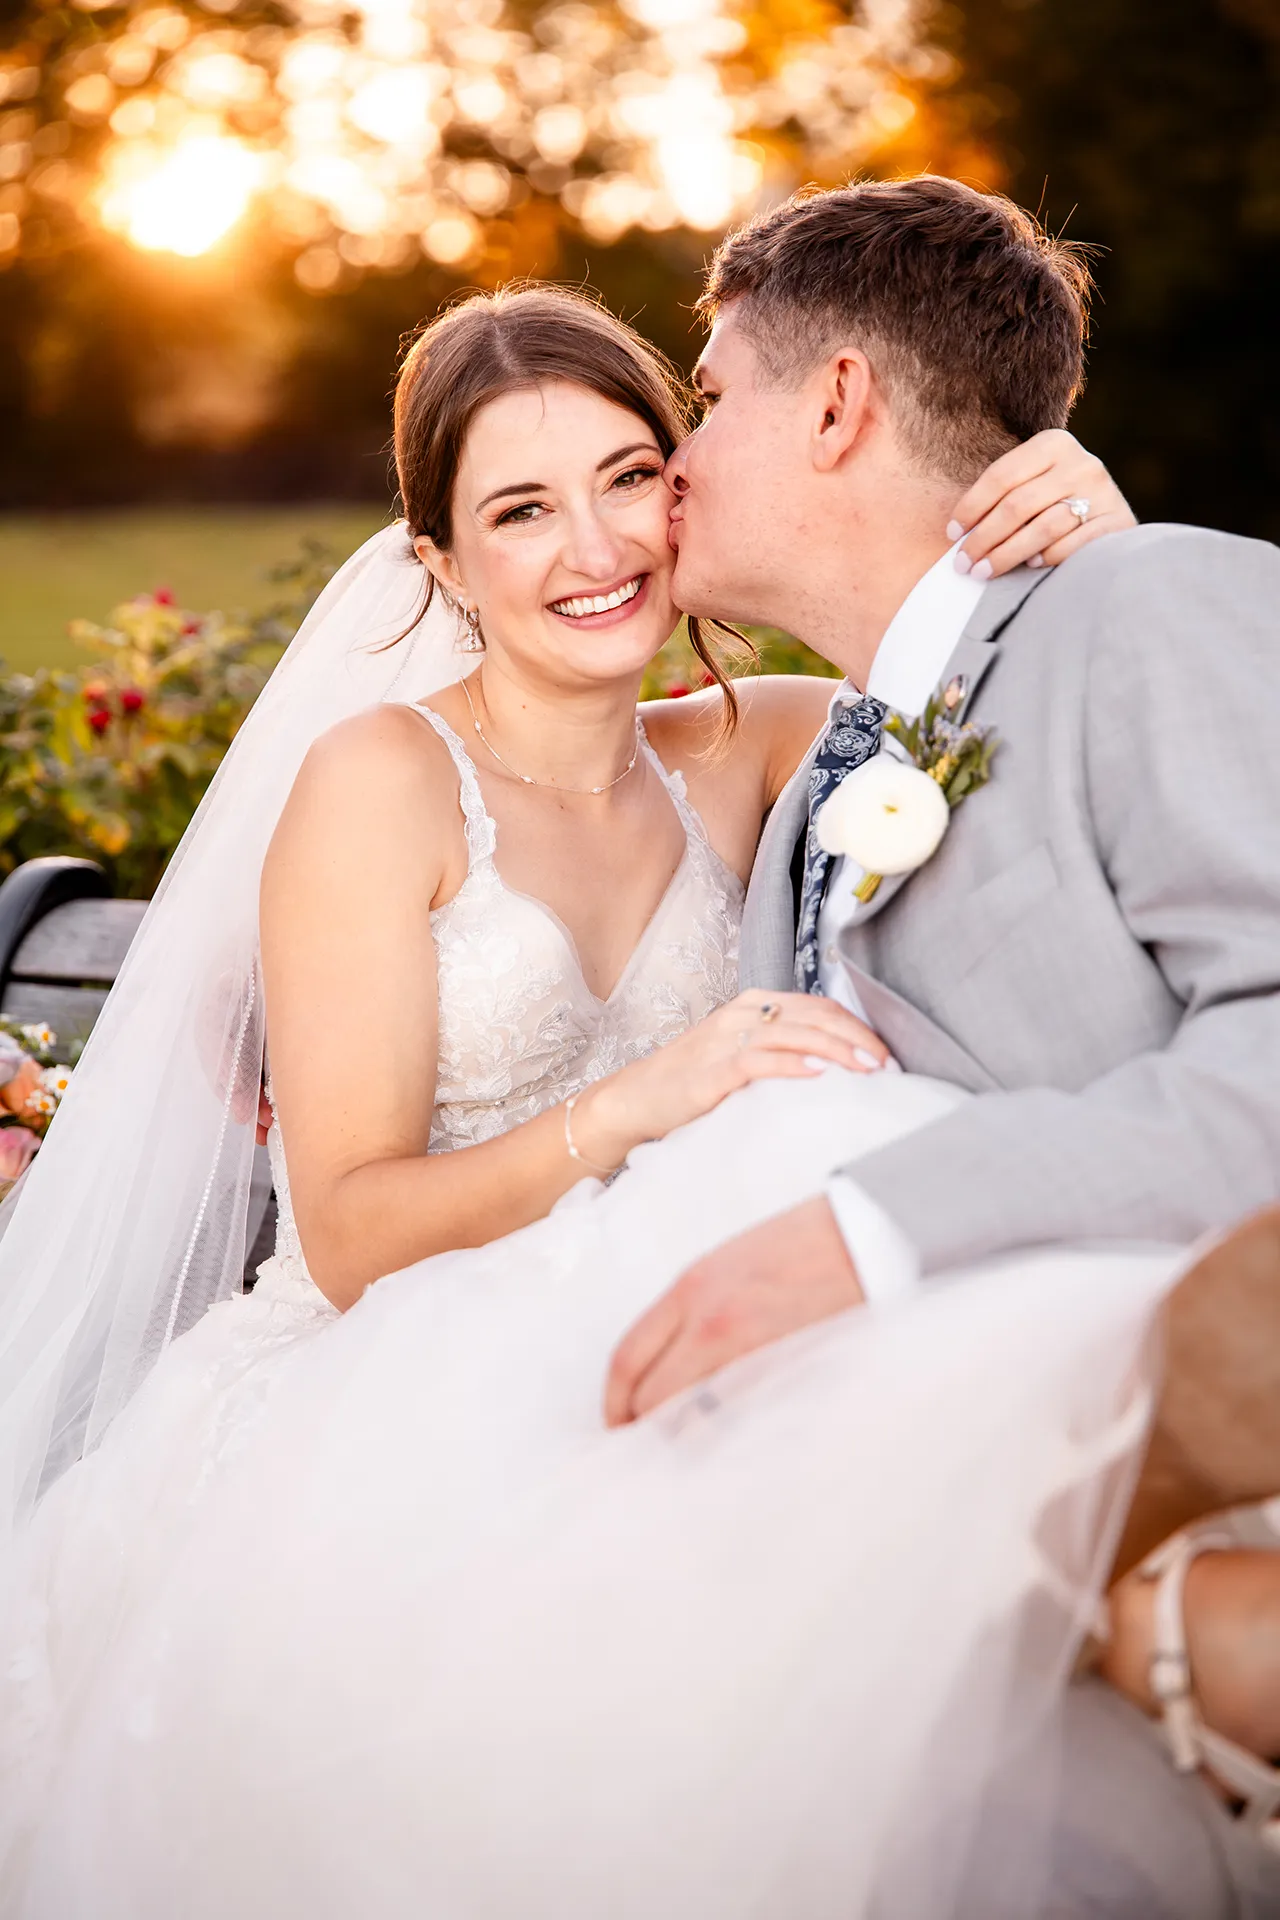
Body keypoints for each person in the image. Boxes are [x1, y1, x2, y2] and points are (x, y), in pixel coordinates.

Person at [0, 270, 1181, 1917]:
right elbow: (346, 1234)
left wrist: (1095, 547)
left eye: (633, 477)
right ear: (442, 563)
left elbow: (1028, 706)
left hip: (688, 1340)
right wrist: (640, 1106)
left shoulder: (773, 739)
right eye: (524, 509)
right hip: (393, 1381)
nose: (598, 548)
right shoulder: (380, 783)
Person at [599, 175, 1280, 1912]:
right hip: (859, 1586)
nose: (679, 458)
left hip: (1171, 1495)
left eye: (711, 398)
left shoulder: (1141, 609)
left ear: (834, 401)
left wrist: (872, 1229)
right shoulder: (833, 762)